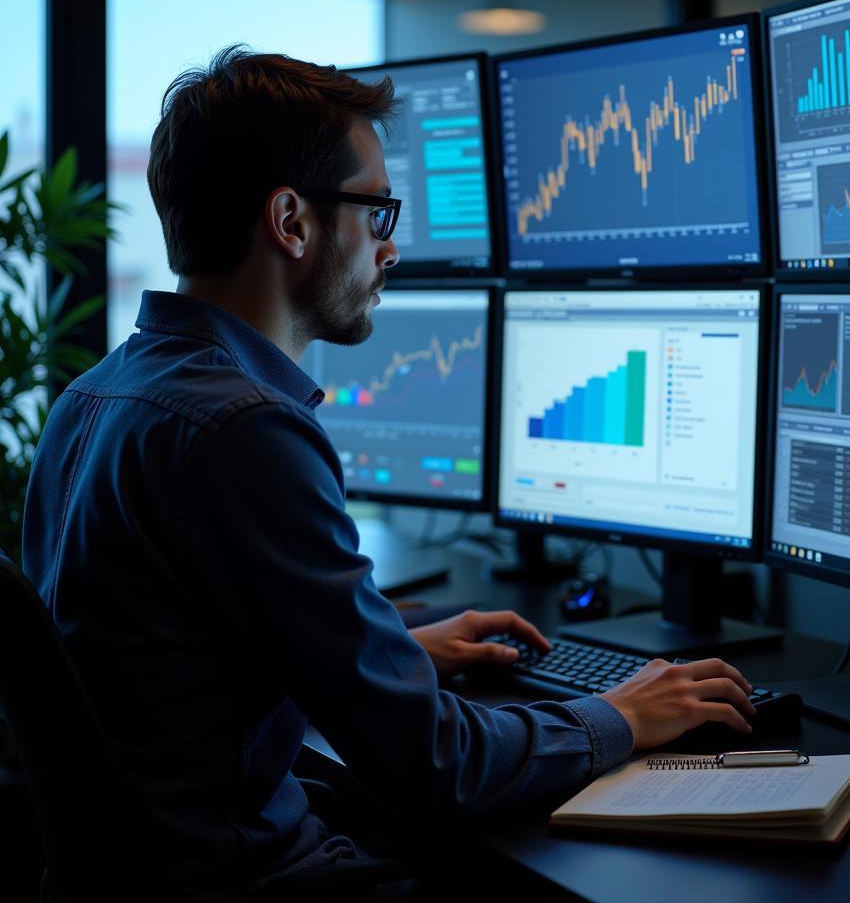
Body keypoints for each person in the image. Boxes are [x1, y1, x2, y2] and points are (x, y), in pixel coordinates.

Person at [22, 46, 756, 900]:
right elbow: (437, 769)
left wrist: (390, 651)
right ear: (291, 222)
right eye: (376, 211)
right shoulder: (246, 431)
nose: (392, 247)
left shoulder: (95, 395)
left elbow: (166, 668)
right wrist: (619, 715)